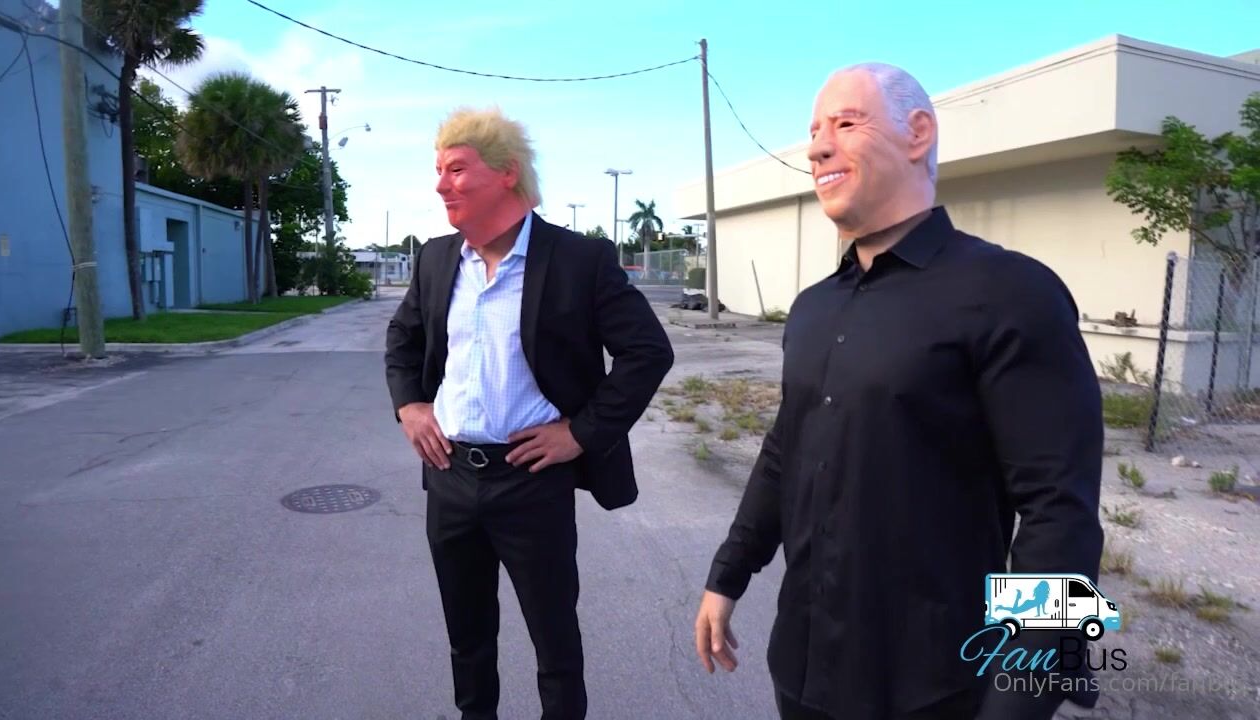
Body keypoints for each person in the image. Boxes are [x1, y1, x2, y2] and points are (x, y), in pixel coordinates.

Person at [692, 63, 1105, 720]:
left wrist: (1020, 699)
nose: (817, 148)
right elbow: (783, 452)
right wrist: (727, 575)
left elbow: (1060, 515)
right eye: (814, 132)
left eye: (845, 124)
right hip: (801, 669)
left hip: (933, 688)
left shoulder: (1010, 294)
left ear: (918, 134)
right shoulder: (813, 308)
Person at [385, 107, 674, 720]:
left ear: (507, 173)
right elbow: (403, 341)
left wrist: (581, 433)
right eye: (438, 171)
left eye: (456, 169)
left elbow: (647, 352)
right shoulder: (436, 260)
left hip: (532, 481)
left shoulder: (578, 259)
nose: (440, 185)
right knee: (467, 638)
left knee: (554, 640)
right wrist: (410, 405)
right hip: (451, 477)